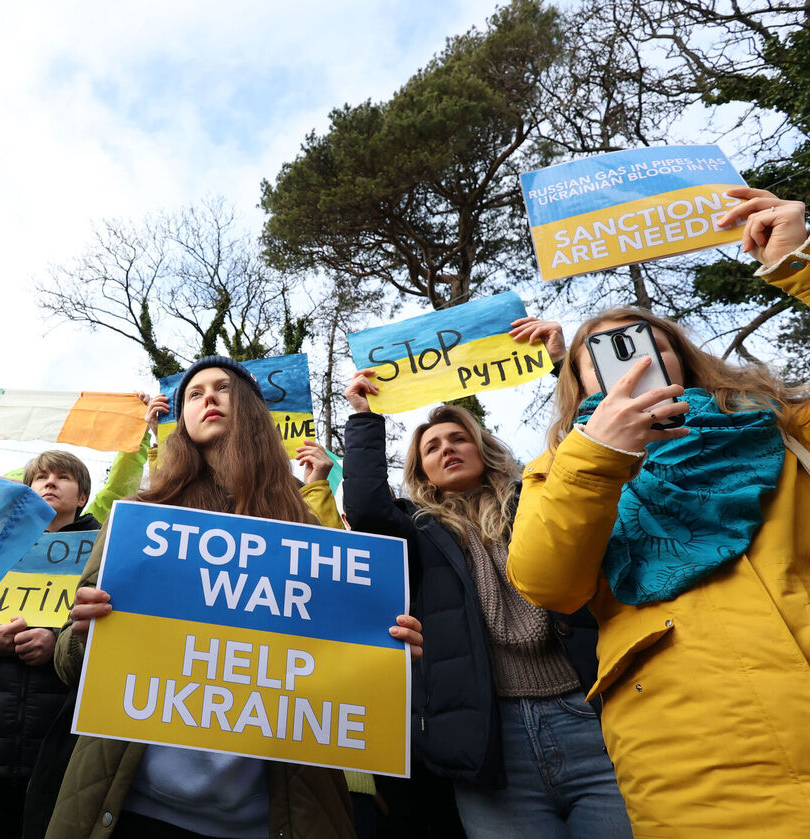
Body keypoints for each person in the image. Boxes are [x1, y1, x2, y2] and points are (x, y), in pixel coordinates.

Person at [506, 187, 810, 838]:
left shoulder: (777, 420)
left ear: (682, 355)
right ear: (579, 382)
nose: (634, 359)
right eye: (603, 353)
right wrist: (598, 455)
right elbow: (547, 581)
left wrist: (800, 265)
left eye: (647, 343)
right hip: (693, 760)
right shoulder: (560, 467)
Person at [45, 355, 424, 839]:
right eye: (195, 393)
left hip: (272, 818)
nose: (208, 399)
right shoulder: (138, 517)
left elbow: (339, 665)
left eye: (222, 388)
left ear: (249, 410)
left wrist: (389, 654)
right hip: (130, 809)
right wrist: (83, 633)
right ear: (180, 420)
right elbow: (67, 662)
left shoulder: (306, 527)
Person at [341, 319, 631, 839]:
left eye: (459, 439)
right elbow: (364, 508)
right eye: (432, 448)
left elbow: (588, 447)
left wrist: (561, 364)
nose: (447, 449)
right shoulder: (418, 529)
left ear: (483, 448)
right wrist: (363, 417)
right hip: (489, 738)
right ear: (422, 470)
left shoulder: (538, 495)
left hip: (592, 718)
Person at [0, 438, 149, 839]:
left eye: (63, 477)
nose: (50, 483)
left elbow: (122, 643)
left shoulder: (107, 550)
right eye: (41, 477)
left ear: (84, 496)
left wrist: (56, 645)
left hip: (58, 760)